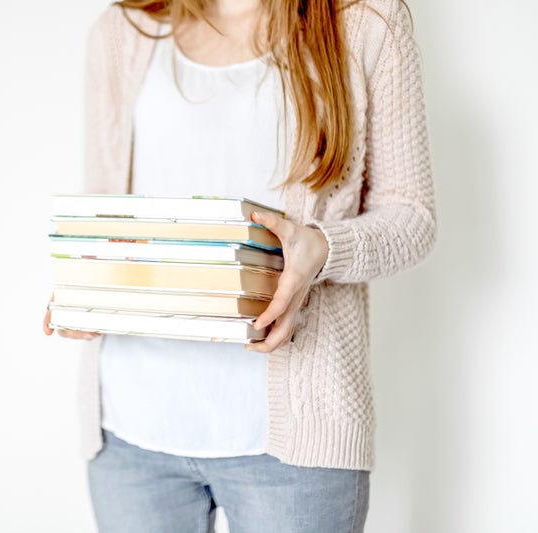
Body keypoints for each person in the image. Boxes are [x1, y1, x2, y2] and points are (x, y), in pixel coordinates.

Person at [43, 0, 436, 531]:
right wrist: (88, 278)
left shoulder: (365, 24)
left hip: (296, 444)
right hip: (131, 431)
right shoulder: (124, 31)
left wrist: (320, 248)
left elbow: (412, 219)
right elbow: (106, 205)